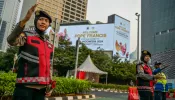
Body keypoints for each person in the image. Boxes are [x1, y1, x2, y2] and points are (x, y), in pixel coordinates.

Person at [7, 4, 55, 100]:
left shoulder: (49, 45)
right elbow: (11, 40)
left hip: (41, 91)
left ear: (48, 25)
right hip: (24, 89)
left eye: (46, 21)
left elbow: (49, 67)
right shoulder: (26, 36)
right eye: (41, 19)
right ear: (36, 21)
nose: (43, 22)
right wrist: (24, 20)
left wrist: (50, 85)